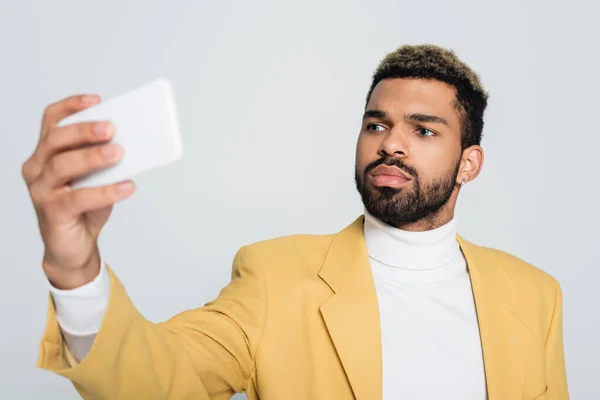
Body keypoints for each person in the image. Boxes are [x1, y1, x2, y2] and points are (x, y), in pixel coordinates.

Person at [23, 44, 569, 400]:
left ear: (468, 163)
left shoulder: (533, 295)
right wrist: (76, 271)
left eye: (423, 130)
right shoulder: (275, 275)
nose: (392, 144)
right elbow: (156, 378)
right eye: (376, 125)